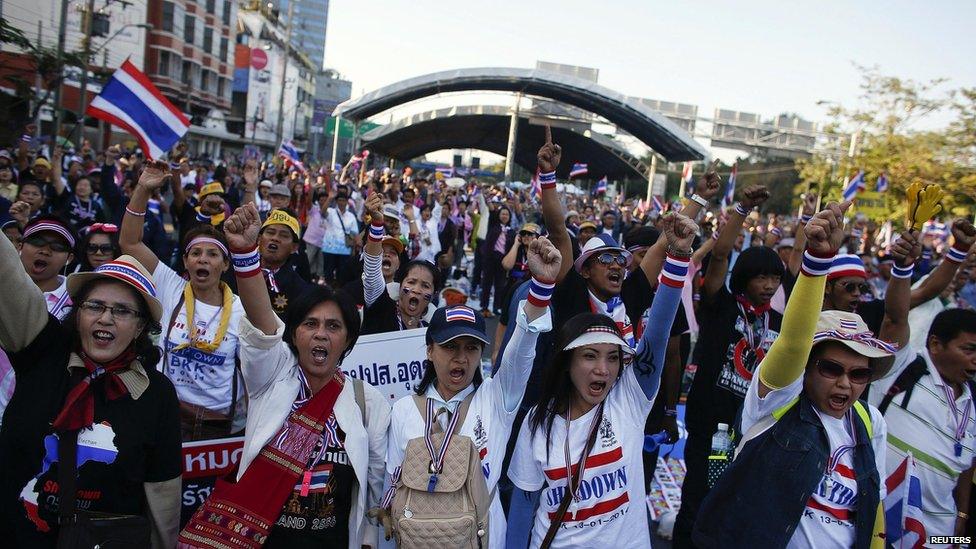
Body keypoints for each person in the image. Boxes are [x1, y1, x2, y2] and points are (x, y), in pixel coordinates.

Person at [179, 203, 391, 548]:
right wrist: (246, 252)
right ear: (293, 335)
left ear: (348, 340)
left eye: (333, 327)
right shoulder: (272, 375)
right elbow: (262, 322)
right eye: (310, 324)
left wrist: (369, 538)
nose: (321, 334)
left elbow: (375, 484)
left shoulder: (368, 403)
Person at [693, 200, 891, 548]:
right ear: (807, 366)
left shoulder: (871, 422)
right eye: (831, 369)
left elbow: (873, 509)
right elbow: (793, 344)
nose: (845, 383)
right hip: (717, 427)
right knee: (704, 489)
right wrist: (816, 263)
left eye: (860, 375)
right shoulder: (782, 400)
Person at [506, 213, 695, 549]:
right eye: (589, 356)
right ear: (567, 362)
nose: (603, 370)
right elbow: (523, 507)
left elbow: (659, 332)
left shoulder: (629, 402)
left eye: (612, 357)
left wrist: (678, 258)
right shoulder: (537, 423)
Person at [378, 233, 558, 548]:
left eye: (472, 347)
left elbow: (522, 350)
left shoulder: (497, 398)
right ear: (430, 350)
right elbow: (389, 489)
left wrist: (540, 289)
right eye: (450, 347)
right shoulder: (404, 409)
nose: (461, 358)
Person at [0, 236, 182, 547]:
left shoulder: (157, 393)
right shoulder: (42, 351)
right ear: (78, 313)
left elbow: (163, 492)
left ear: (140, 328)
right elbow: (7, 277)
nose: (106, 318)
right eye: (95, 305)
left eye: (123, 311)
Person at [673, 185, 782, 547]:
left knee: (732, 507)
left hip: (751, 429)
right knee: (699, 501)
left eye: (775, 279)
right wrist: (742, 209)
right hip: (712, 426)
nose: (769, 286)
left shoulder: (780, 323)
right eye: (761, 277)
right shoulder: (722, 306)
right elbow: (719, 256)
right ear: (745, 278)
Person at [121, 160, 245, 440]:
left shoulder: (240, 309)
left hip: (217, 424)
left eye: (212, 254)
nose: (203, 259)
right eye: (196, 253)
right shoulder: (171, 286)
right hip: (166, 413)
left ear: (225, 265)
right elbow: (130, 242)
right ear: (186, 262)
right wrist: (142, 188)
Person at [360, 193, 439, 333]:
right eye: (411, 282)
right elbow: (372, 270)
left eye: (425, 285)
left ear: (433, 294)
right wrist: (377, 223)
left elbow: (414, 244)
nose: (416, 289)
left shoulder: (433, 331)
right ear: (400, 284)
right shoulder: (383, 309)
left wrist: (411, 219)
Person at [9, 211, 78, 320]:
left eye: (57, 246)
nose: (45, 251)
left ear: (69, 258)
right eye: (37, 242)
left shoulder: (77, 301)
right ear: (20, 247)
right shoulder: (4, 283)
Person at [320, 187, 360, 286]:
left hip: (344, 250)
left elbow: (355, 233)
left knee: (342, 275)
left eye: (343, 200)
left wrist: (355, 247)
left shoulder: (351, 216)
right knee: (328, 273)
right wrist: (329, 198)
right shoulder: (331, 211)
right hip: (329, 248)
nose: (341, 202)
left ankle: (339, 294)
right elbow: (322, 213)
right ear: (337, 202)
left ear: (347, 202)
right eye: (339, 200)